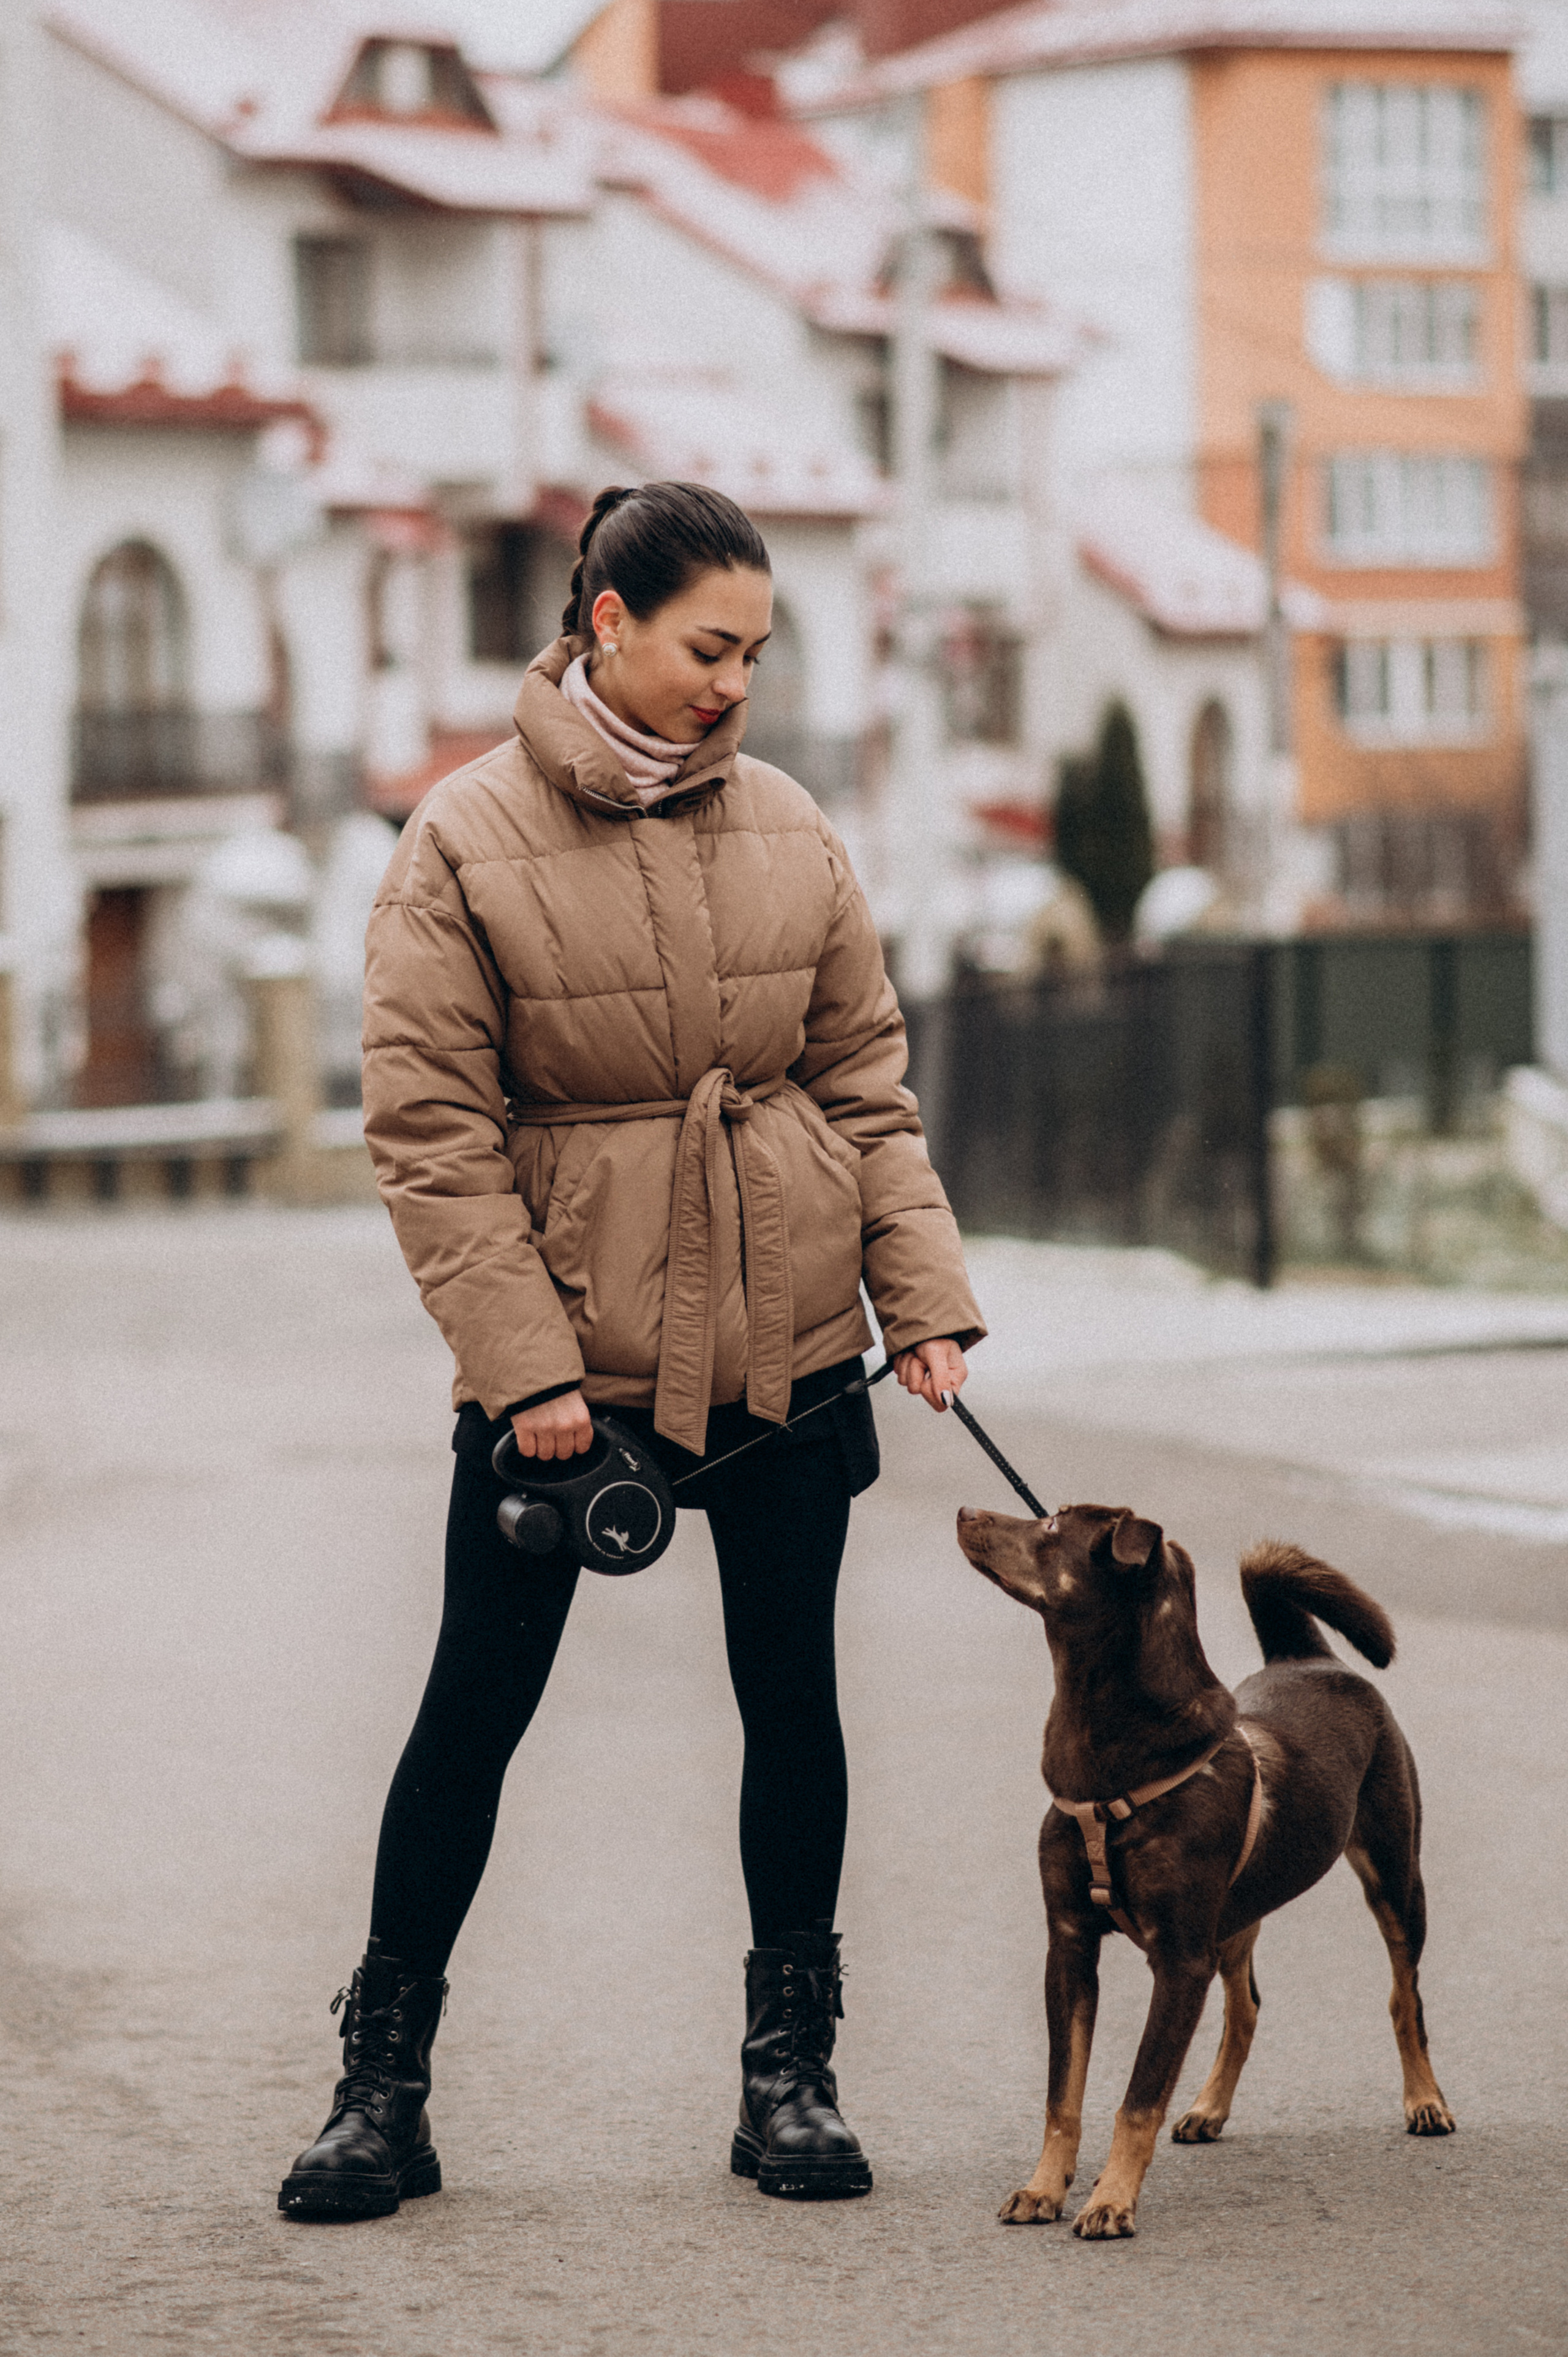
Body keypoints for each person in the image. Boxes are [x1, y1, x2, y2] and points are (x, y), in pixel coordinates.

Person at [277, 481, 984, 2222]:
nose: (736, 683)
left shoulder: (797, 829)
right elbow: (432, 1130)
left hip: (792, 1338)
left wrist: (925, 1297)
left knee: (793, 1705)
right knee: (475, 1711)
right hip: (568, 1369)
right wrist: (521, 1372)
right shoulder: (458, 837)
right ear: (608, 623)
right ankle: (381, 2089)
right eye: (707, 646)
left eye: (758, 651)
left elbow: (863, 1085)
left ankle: (791, 2077)